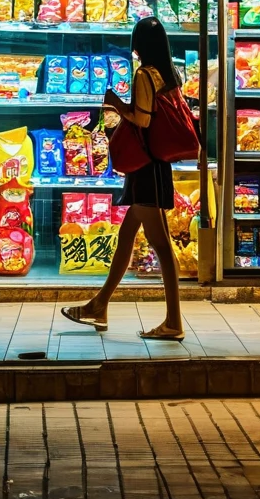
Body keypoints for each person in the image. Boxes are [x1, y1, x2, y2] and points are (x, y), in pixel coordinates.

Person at [61, 17, 184, 341]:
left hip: (146, 168)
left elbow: (142, 120)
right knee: (127, 234)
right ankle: (98, 306)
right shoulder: (169, 75)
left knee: (160, 245)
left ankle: (174, 321)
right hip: (153, 166)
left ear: (138, 45)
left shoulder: (145, 74)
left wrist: (117, 104)